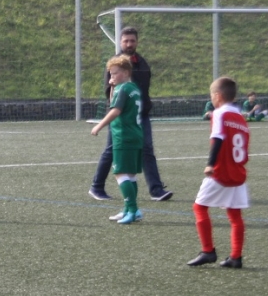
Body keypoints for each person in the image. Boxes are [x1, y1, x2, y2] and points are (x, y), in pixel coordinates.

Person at [87, 26, 173, 202]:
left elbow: (143, 91)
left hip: (141, 115)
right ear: (120, 42)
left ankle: (156, 189)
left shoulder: (142, 63)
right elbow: (110, 93)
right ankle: (97, 187)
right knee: (111, 150)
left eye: (132, 41)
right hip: (121, 117)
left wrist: (144, 107)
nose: (129, 44)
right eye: (126, 41)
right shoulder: (114, 65)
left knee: (147, 149)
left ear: (137, 42)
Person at [187, 76, 250, 269]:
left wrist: (210, 164)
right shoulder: (241, 117)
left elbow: (218, 138)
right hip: (238, 172)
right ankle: (236, 257)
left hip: (221, 170)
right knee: (235, 215)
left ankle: (208, 251)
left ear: (218, 95)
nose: (211, 99)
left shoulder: (220, 113)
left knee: (199, 208)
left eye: (212, 95)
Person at [90, 55, 144, 225]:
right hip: (135, 134)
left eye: (115, 73)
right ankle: (129, 209)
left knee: (120, 173)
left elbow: (115, 110)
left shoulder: (123, 89)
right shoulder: (133, 88)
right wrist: (113, 87)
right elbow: (114, 102)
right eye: (111, 74)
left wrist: (99, 125)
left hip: (123, 136)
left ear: (126, 72)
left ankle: (133, 209)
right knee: (130, 174)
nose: (112, 77)